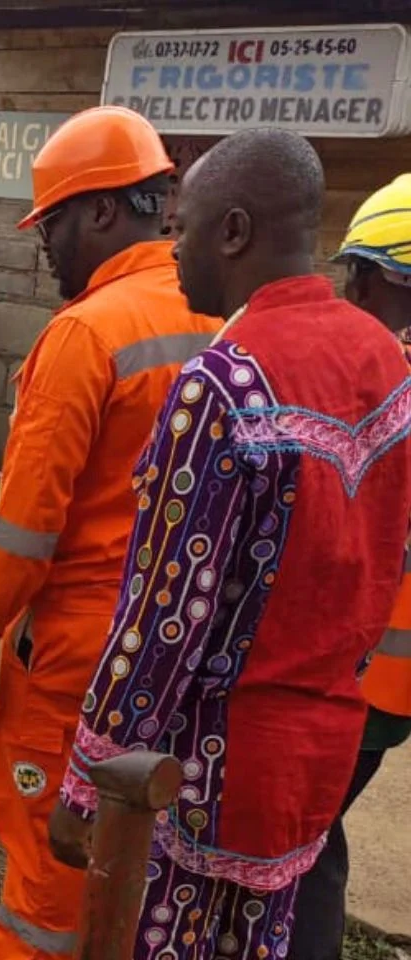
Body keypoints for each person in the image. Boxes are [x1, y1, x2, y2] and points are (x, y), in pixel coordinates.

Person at [49, 129, 411, 960]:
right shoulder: (384, 362)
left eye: (185, 227)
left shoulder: (222, 383)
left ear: (236, 232)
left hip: (205, 780)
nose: (171, 249)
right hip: (316, 762)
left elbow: (164, 619)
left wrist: (87, 780)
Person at [0, 105, 219, 960]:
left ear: (104, 211)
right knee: (141, 881)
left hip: (75, 669)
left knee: (48, 881)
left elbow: (26, 529)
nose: (45, 243)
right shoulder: (221, 316)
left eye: (55, 221)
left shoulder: (85, 335)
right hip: (184, 662)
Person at [286, 174, 411, 960]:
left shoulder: (387, 384)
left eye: (356, 274)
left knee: (304, 852)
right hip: (385, 680)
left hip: (369, 675)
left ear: (379, 278)